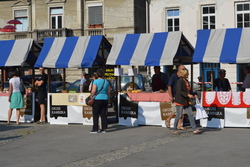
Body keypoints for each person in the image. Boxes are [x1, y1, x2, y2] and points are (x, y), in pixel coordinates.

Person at [173, 68, 201, 135]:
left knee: (191, 114)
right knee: (179, 115)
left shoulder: (187, 81)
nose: (188, 74)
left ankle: (194, 128)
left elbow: (188, 90)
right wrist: (187, 94)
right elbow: (180, 91)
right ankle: (174, 129)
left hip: (186, 101)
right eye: (187, 73)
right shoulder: (180, 81)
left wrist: (193, 94)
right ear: (184, 74)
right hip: (180, 100)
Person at [90, 69, 110, 133]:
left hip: (97, 99)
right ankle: (104, 129)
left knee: (95, 114)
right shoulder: (106, 82)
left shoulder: (95, 81)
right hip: (105, 99)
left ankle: (95, 129)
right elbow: (108, 92)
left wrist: (91, 96)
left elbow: (93, 91)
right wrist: (108, 100)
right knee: (103, 114)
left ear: (97, 75)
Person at [166, 65, 186, 130]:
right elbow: (169, 86)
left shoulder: (183, 77)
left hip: (182, 97)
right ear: (179, 70)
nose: (185, 70)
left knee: (183, 112)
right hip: (175, 96)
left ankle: (179, 125)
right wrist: (171, 96)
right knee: (175, 111)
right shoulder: (173, 76)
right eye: (183, 69)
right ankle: (168, 119)